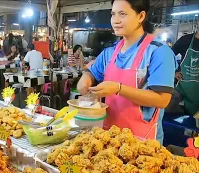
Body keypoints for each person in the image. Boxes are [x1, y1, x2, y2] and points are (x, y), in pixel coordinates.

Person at [77, 0, 177, 144]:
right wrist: (85, 79)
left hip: (142, 143)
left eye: (122, 14)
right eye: (113, 14)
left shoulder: (159, 52)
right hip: (107, 139)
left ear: (141, 16)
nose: (115, 20)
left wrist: (119, 89)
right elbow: (91, 73)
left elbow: (162, 99)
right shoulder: (109, 52)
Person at [168, 31, 199, 115]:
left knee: (194, 119)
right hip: (181, 86)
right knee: (167, 105)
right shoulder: (185, 40)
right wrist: (173, 71)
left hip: (197, 90)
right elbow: (168, 56)